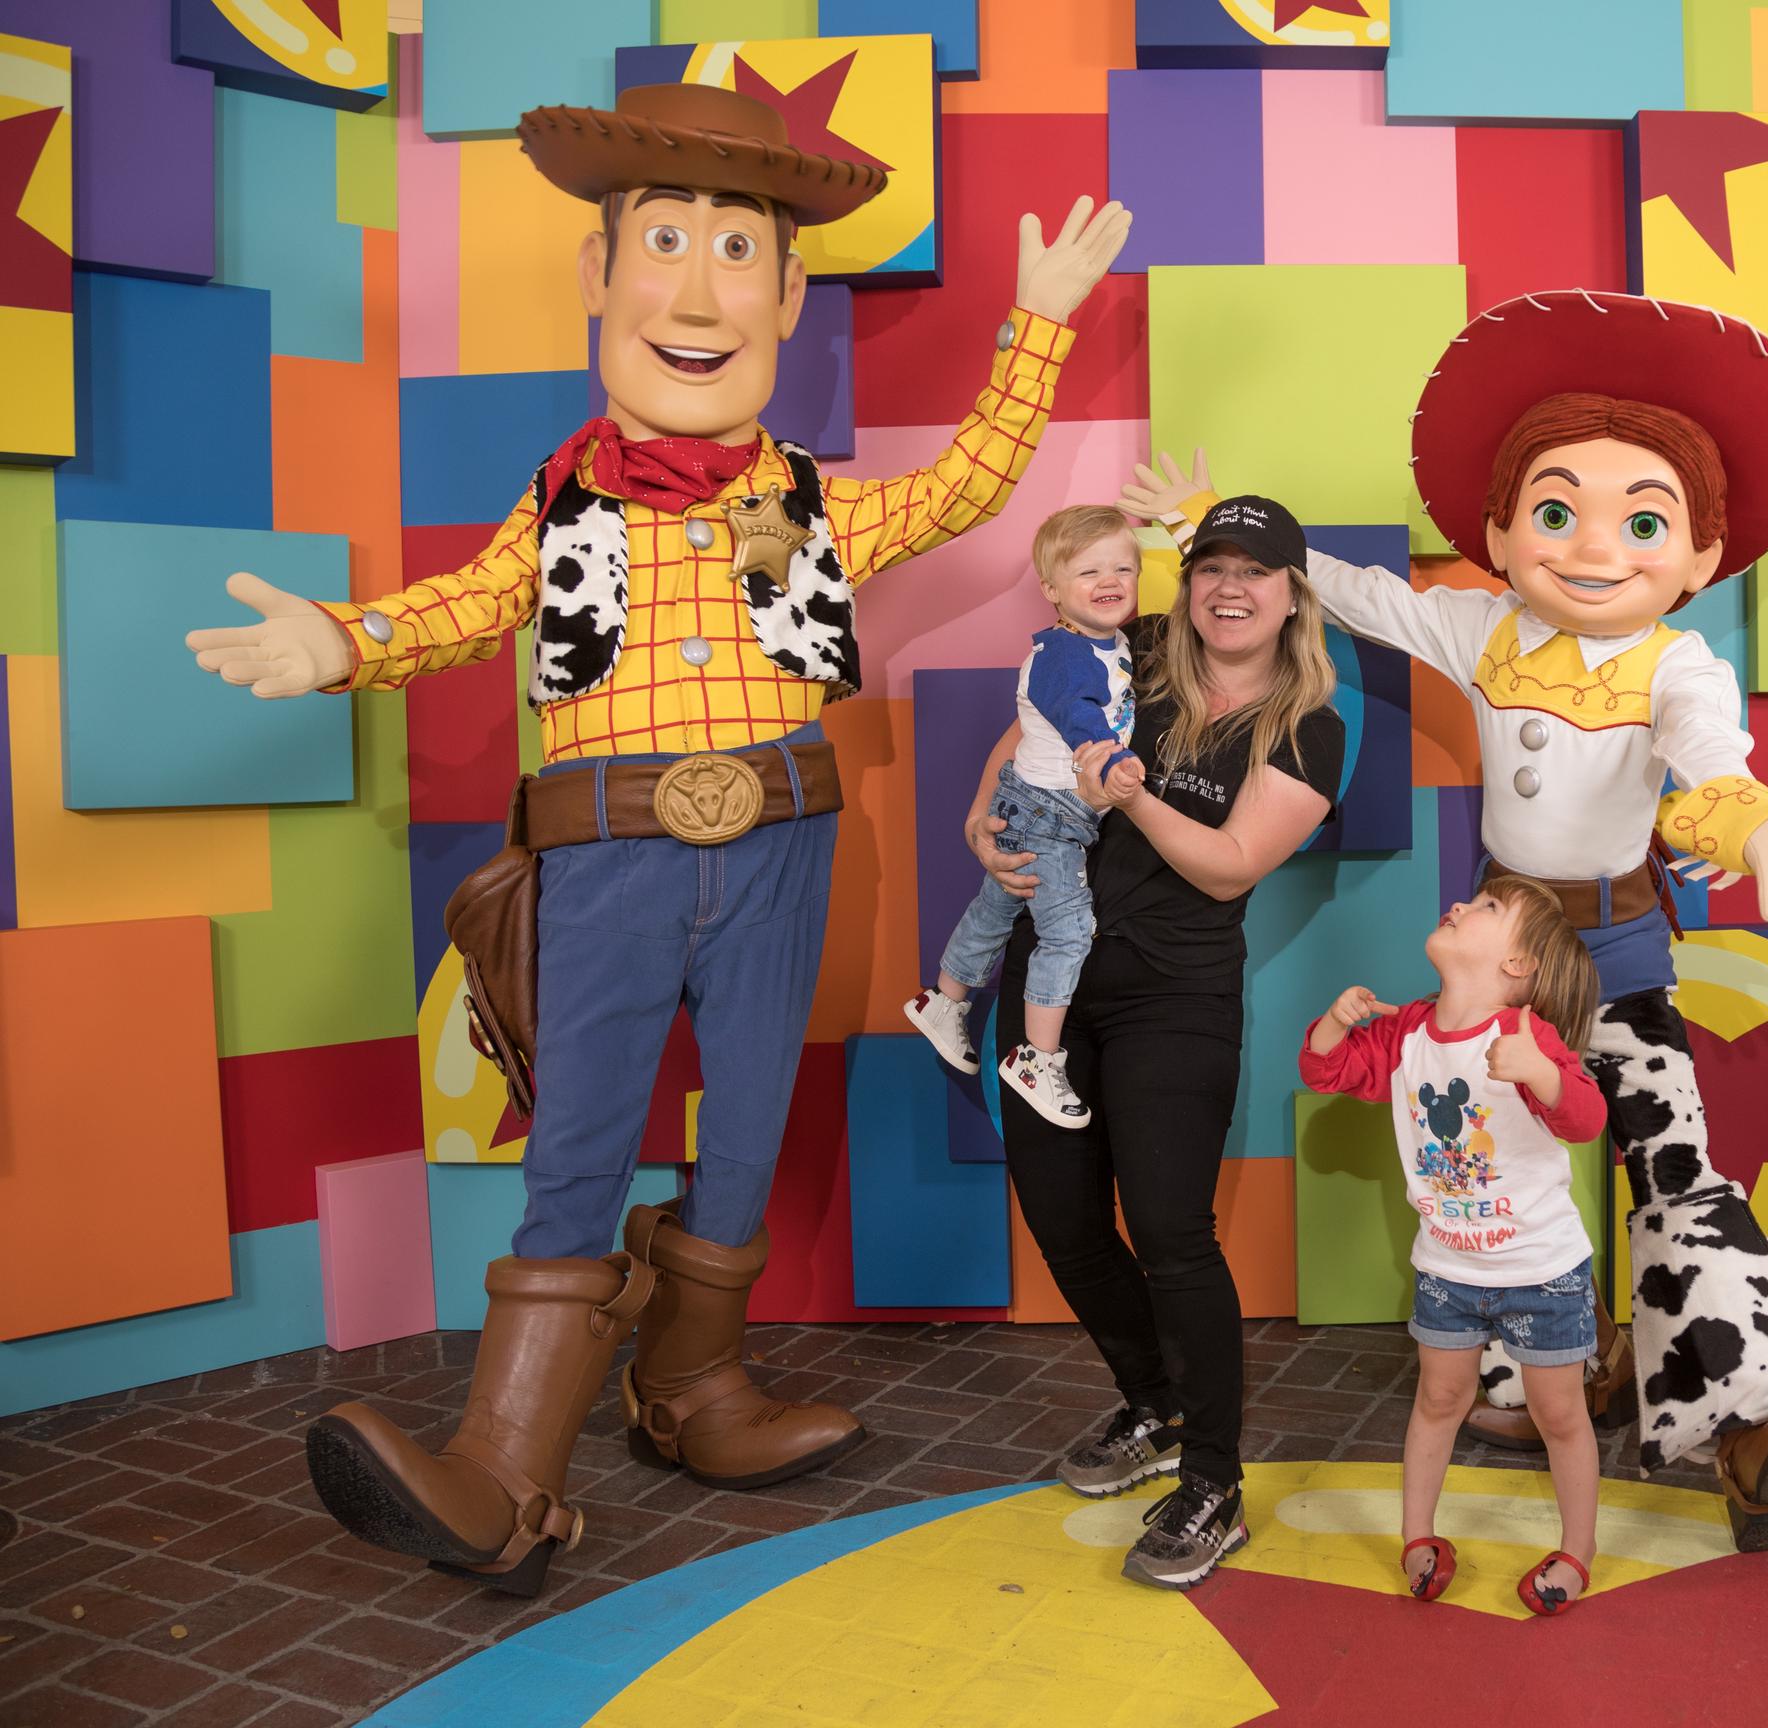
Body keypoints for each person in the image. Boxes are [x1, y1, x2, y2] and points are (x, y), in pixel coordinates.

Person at [184, 80, 1130, 1596]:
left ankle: (693, 1393)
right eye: (668, 242)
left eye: (738, 252)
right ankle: (505, 1476)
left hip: (781, 849)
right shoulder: (561, 501)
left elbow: (967, 487)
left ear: (790, 293)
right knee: (580, 1144)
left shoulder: (811, 505)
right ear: (598, 278)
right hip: (608, 857)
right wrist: (342, 641)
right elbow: (472, 604)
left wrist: (1037, 328)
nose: (699, 290)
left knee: (747, 1124)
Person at [1123, 291, 1768, 1555]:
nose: (1594, 547)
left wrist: (1760, 829)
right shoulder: (1486, 631)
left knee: (1670, 1169)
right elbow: (1365, 595)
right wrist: (1222, 534)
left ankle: (1763, 1417)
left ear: (1700, 555)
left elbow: (1708, 764)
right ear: (1498, 529)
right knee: (1494, 1151)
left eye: (1643, 521)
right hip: (1503, 955)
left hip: (1622, 952)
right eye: (1555, 511)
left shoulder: (1681, 667)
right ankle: (1544, 1367)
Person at [966, 495, 1343, 1590]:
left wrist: (1124, 796)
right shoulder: (1133, 652)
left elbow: (1229, 864)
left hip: (1173, 999)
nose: (1230, 586)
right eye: (1212, 565)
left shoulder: (1307, 723)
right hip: (1051, 979)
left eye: (1255, 570)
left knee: (1172, 1234)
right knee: (1063, 1221)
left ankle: (1215, 1480)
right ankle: (1156, 1402)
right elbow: (1029, 735)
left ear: (1289, 592)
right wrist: (984, 824)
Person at [1299, 877, 1609, 1615]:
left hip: (1543, 1269)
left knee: (1560, 1414)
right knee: (1439, 1399)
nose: (1463, 906)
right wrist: (1335, 1026)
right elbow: (1325, 1070)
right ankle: (1418, 1536)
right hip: (1447, 1267)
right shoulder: (1408, 1034)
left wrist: (1540, 1073)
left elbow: (1587, 1120)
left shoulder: (1527, 1037)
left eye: (1490, 909)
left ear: (1519, 967)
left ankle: (1579, 1548)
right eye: (1473, 900)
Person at [905, 506, 1143, 1128]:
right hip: (1051, 809)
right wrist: (1112, 760)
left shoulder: (1107, 642)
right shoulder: (1065, 656)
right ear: (1052, 590)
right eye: (1088, 570)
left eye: (1123, 567)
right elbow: (1079, 716)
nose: (1109, 579)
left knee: (999, 902)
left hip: (1031, 799)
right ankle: (1036, 1058)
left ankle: (946, 998)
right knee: (1067, 931)